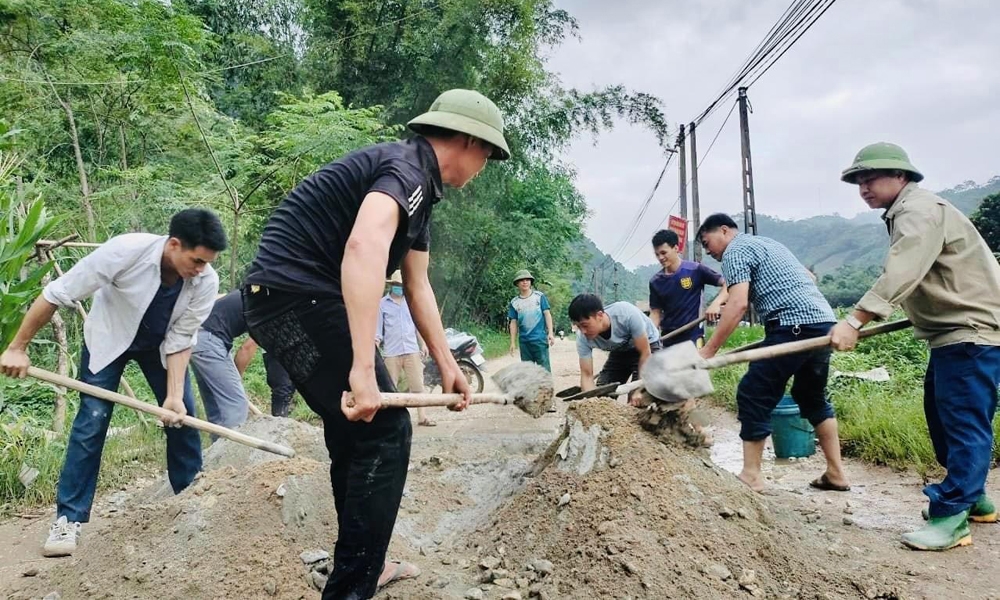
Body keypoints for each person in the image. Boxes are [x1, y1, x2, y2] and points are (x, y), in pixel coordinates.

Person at [241, 88, 508, 599]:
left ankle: (362, 565)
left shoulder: (420, 191)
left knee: (356, 430)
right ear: (469, 143)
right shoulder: (406, 171)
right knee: (387, 432)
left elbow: (417, 285)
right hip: (301, 297)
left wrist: (446, 361)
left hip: (276, 301)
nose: (484, 168)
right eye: (488, 156)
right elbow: (363, 246)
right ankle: (351, 587)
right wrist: (364, 366)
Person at [0, 208, 226, 557]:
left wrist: (174, 396)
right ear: (174, 244)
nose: (200, 269)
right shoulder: (125, 251)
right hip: (109, 339)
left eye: (205, 263)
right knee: (92, 420)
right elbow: (56, 294)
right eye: (196, 260)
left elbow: (182, 337)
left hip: (161, 346)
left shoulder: (205, 281)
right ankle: (67, 519)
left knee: (183, 417)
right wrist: (17, 347)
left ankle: (191, 502)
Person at [831, 142, 1000, 551]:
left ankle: (952, 517)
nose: (863, 187)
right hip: (951, 336)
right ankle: (973, 497)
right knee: (943, 418)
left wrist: (855, 320)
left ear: (901, 176)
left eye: (870, 178)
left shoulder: (918, 210)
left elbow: (902, 271)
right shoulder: (909, 212)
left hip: (970, 334)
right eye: (858, 181)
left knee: (962, 424)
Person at [696, 213, 849, 495]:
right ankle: (836, 473)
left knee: (753, 391)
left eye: (707, 243)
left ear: (725, 231)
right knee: (810, 396)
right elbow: (808, 276)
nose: (709, 252)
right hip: (824, 323)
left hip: (793, 325)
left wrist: (709, 350)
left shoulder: (735, 251)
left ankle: (751, 475)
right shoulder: (769, 244)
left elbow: (739, 303)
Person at [569, 293, 660, 403]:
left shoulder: (627, 315)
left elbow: (645, 353)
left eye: (585, 325)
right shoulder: (583, 338)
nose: (583, 331)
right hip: (620, 351)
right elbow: (587, 375)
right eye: (578, 326)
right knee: (602, 397)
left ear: (600, 315)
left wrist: (640, 390)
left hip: (647, 347)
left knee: (638, 400)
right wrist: (591, 404)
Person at [648, 229, 728, 347]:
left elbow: (729, 284)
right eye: (657, 254)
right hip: (668, 338)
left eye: (664, 253)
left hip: (693, 336)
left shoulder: (695, 270)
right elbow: (655, 314)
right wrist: (648, 336)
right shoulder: (655, 281)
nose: (660, 257)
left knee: (693, 365)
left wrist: (716, 303)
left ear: (676, 248)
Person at [189, 290, 252, 432]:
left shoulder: (248, 293)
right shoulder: (266, 308)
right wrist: (235, 381)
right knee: (236, 403)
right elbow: (246, 349)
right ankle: (234, 450)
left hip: (196, 339)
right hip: (210, 340)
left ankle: (217, 452)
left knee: (216, 406)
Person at [377, 270, 434, 427]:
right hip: (391, 351)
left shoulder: (411, 302)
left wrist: (423, 343)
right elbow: (378, 330)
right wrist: (375, 345)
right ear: (391, 286)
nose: (399, 288)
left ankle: (422, 417)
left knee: (418, 386)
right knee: (390, 388)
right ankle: (392, 421)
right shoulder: (382, 304)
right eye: (397, 285)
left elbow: (418, 325)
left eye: (401, 286)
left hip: (411, 349)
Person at [507, 269, 554, 372]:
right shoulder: (514, 302)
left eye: (527, 280)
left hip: (540, 340)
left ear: (531, 282)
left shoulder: (539, 297)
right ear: (517, 284)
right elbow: (513, 322)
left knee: (544, 369)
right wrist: (512, 342)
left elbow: (547, 314)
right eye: (522, 280)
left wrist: (550, 333)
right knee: (528, 372)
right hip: (524, 342)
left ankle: (547, 388)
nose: (525, 282)